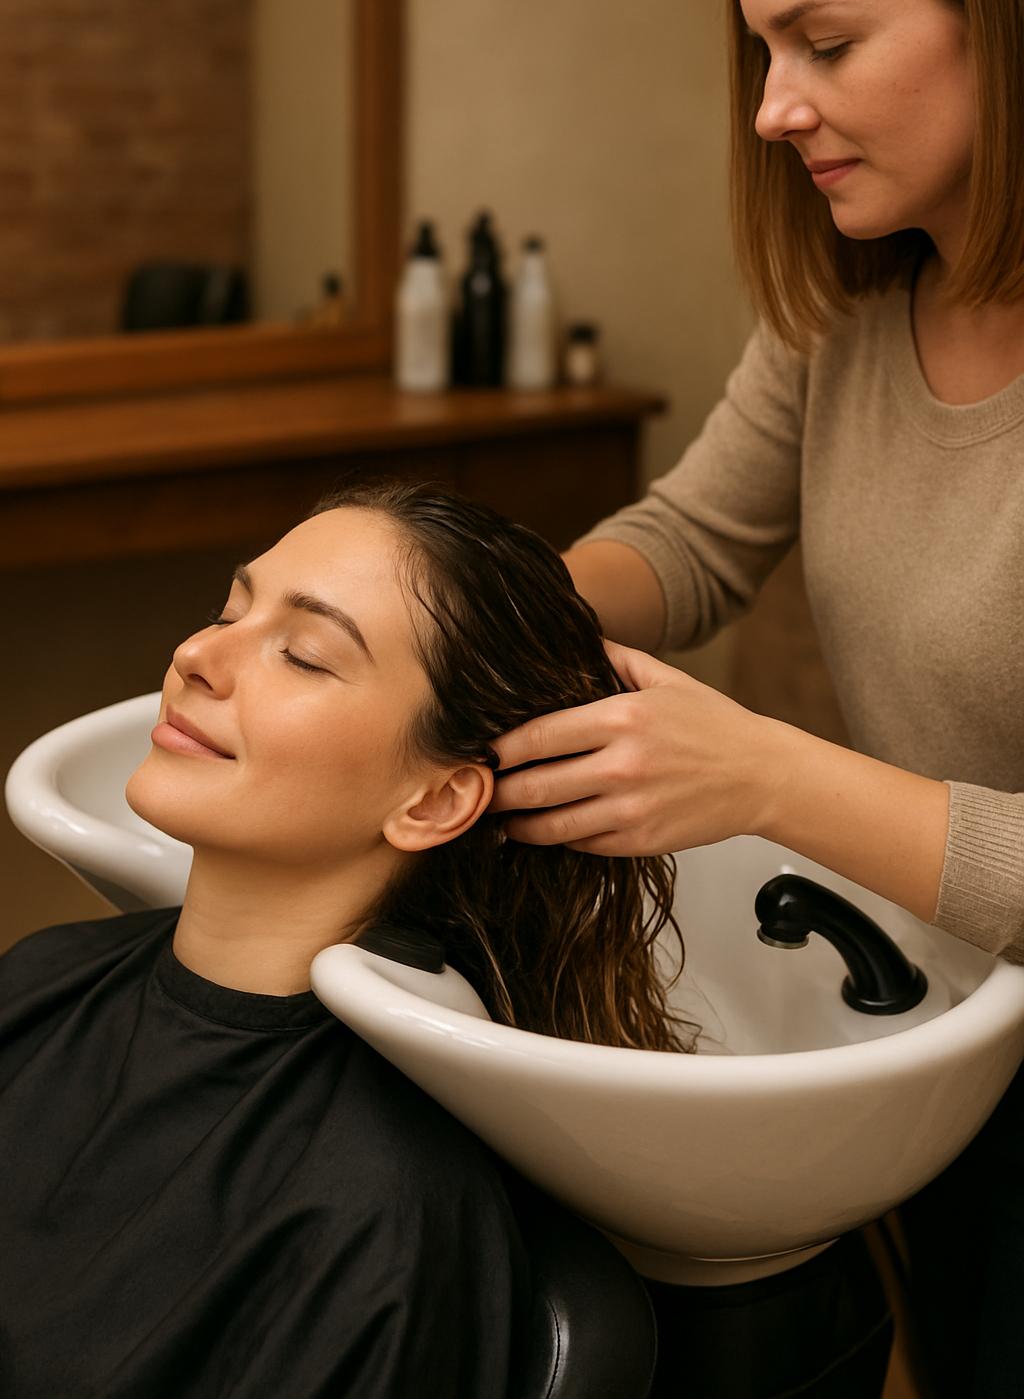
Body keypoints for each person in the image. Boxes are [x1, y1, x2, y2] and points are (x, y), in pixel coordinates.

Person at [490, 0, 1024, 1394]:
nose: (772, 109)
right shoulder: (850, 308)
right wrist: (466, 609)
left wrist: (763, 775)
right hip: (958, 1014)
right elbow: (687, 542)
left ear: (1005, 13)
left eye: (827, 45)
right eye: (761, 54)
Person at [0, 480, 686, 1399]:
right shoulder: (42, 980)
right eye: (228, 611)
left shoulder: (377, 1209)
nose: (197, 654)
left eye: (305, 655)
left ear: (436, 799)